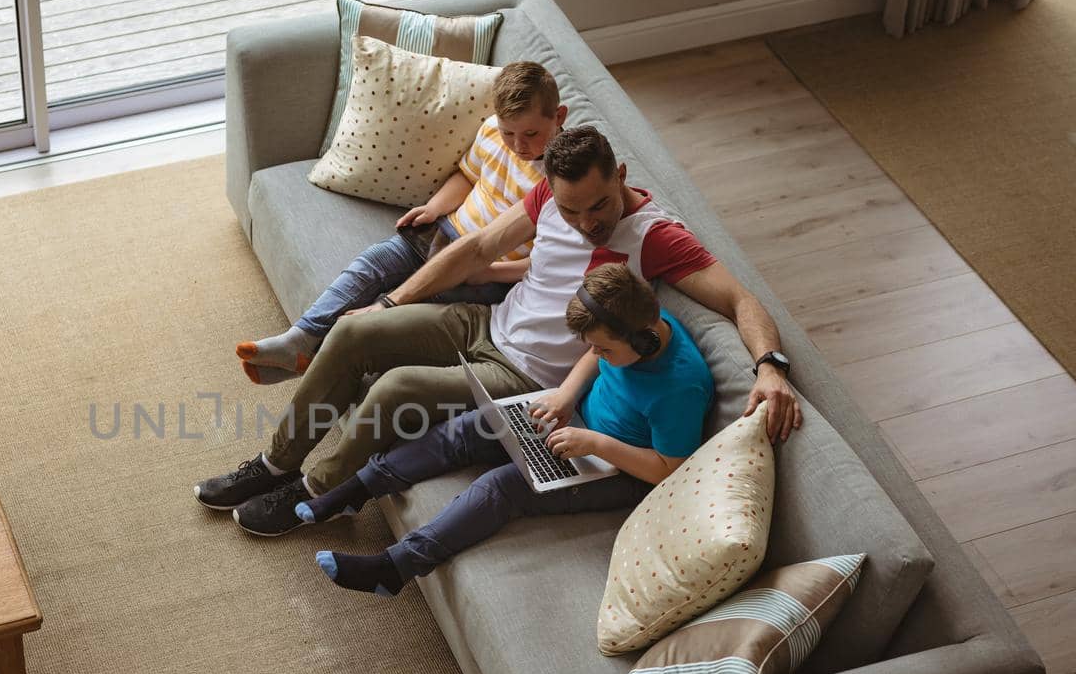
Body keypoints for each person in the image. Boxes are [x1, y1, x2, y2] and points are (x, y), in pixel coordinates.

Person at [195, 124, 801, 537]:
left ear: (619, 174)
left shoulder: (656, 237)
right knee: (351, 334)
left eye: (599, 206)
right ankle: (274, 463)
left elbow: (741, 298)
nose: (587, 222)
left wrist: (770, 366)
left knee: (396, 386)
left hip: (525, 374)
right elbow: (480, 247)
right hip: (486, 322)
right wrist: (388, 301)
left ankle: (312, 494)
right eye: (571, 210)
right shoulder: (549, 194)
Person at [300, 264, 714, 595]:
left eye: (605, 348)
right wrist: (566, 395)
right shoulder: (640, 320)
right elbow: (594, 357)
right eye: (593, 345)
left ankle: (394, 568)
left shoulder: (681, 387)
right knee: (469, 427)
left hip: (620, 472)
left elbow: (667, 469)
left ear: (642, 343)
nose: (596, 354)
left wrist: (596, 443)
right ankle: (356, 491)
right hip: (576, 425)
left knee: (501, 488)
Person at [235, 61, 567, 383]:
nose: (518, 145)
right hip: (444, 232)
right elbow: (468, 175)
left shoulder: (564, 178)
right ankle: (300, 337)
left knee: (407, 310)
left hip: (487, 269)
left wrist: (492, 273)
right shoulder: (493, 130)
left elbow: (548, 261)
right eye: (510, 132)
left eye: (531, 134)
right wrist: (434, 208)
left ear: (559, 117)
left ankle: (319, 356)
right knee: (372, 265)